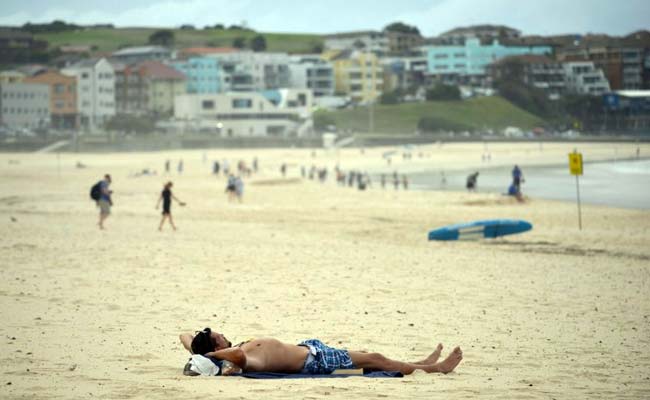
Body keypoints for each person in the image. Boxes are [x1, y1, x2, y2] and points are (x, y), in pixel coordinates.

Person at [179, 328, 462, 376]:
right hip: (314, 360)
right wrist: (214, 356)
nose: (221, 332)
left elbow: (186, 336)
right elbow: (239, 357)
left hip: (310, 350)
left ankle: (419, 364)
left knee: (369, 356)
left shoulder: (230, 352)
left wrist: (200, 349)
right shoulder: (238, 358)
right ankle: (436, 368)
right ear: (219, 347)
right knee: (375, 359)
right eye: (218, 336)